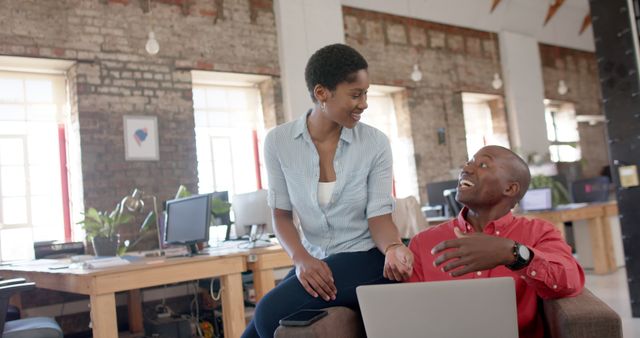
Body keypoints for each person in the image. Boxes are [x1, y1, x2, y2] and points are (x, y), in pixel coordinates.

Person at [241, 43, 414, 337]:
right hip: (316, 259)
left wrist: (395, 247)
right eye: (356, 94)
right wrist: (300, 259)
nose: (364, 103)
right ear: (322, 93)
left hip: (367, 257)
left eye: (366, 93)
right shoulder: (279, 142)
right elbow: (281, 216)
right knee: (253, 332)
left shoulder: (375, 144)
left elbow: (379, 217)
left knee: (267, 313)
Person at [407, 145, 584, 338]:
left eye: (483, 164)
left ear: (510, 188)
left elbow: (570, 281)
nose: (466, 169)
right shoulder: (422, 243)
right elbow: (410, 314)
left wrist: (513, 254)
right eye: (469, 162)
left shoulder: (538, 232)